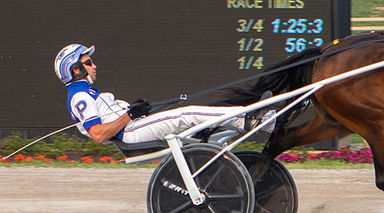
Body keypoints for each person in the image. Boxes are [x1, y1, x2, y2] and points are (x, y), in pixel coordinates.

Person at [54, 44, 248, 145]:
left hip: (133, 128)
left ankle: (243, 117)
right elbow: (98, 135)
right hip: (130, 132)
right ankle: (246, 118)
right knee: (185, 115)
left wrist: (133, 111)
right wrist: (130, 115)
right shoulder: (80, 97)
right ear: (75, 70)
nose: (94, 66)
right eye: (88, 63)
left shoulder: (86, 92)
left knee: (188, 115)